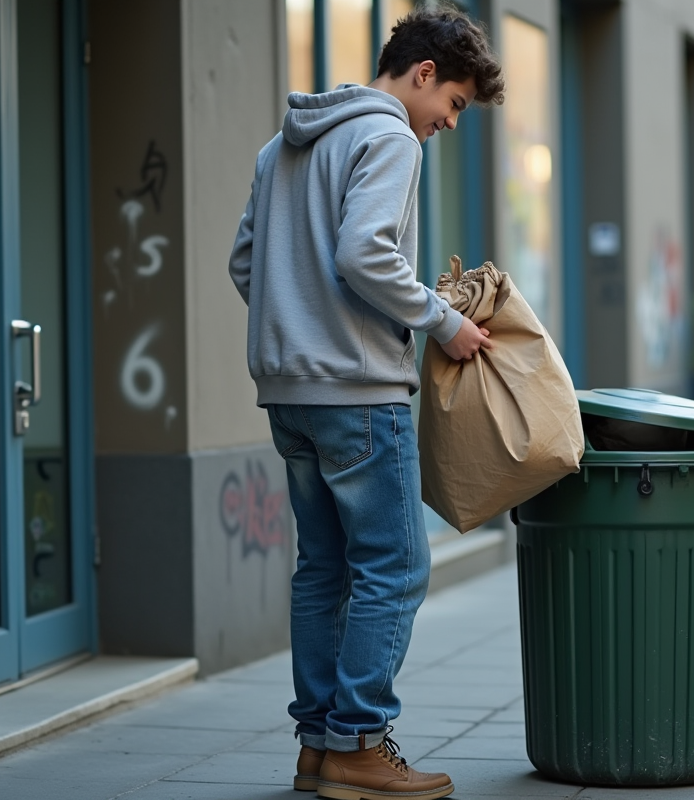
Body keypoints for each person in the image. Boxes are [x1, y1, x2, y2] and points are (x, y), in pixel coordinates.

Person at [227, 8, 504, 800]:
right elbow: (363, 252)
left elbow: (247, 264)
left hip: (291, 394)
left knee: (322, 570)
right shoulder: (386, 137)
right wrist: (444, 321)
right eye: (451, 104)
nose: (447, 124)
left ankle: (318, 747)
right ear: (422, 73)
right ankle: (358, 742)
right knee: (396, 566)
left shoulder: (282, 146)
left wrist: (298, 321)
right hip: (357, 391)